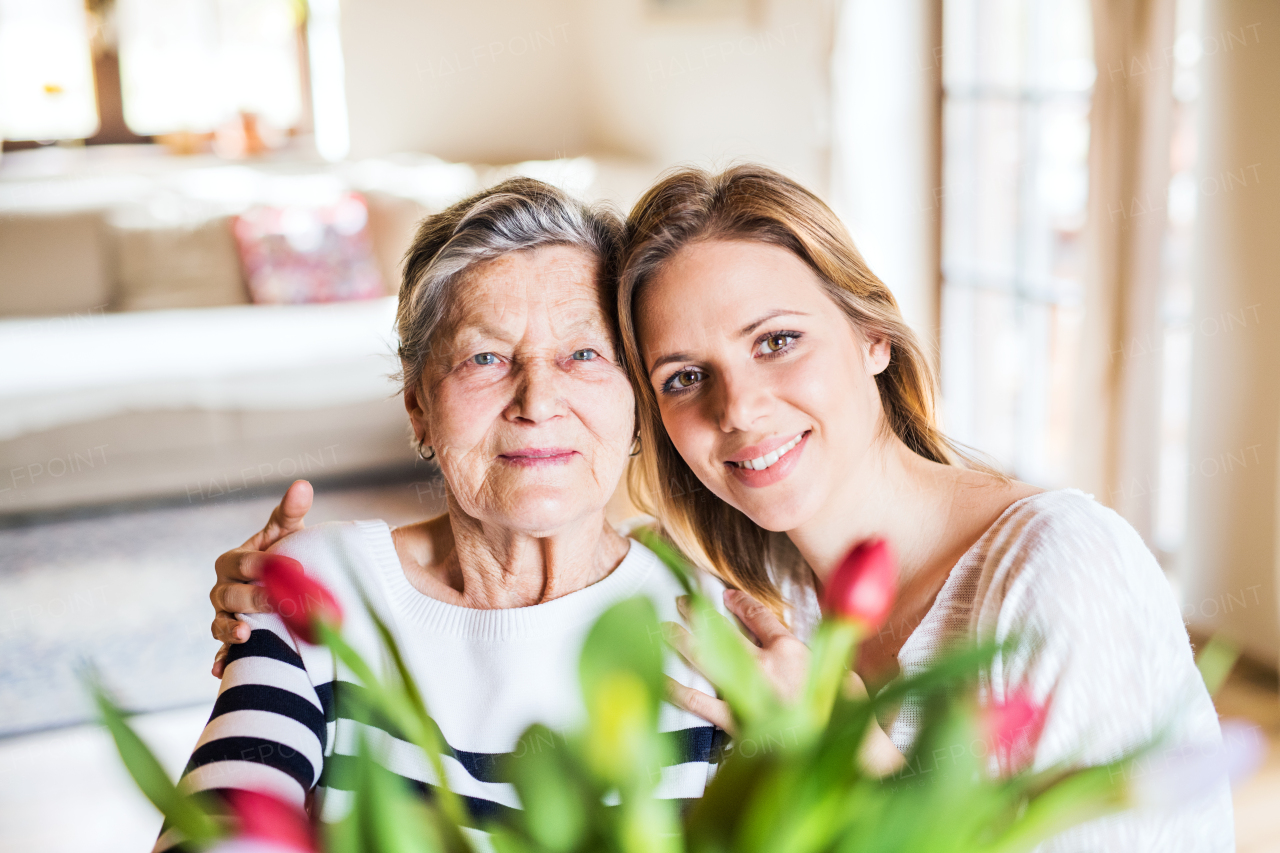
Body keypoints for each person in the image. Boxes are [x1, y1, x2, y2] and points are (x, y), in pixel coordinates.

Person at [615, 164, 1233, 850]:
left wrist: (849, 754)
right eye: (686, 377)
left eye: (777, 341)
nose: (737, 407)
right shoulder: (764, 600)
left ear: (873, 336)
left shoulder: (1058, 569)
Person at [162, 178, 728, 852]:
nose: (538, 399)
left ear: (636, 398)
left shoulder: (714, 621)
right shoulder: (323, 590)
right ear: (418, 404)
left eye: (583, 353)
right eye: (484, 357)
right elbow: (218, 826)